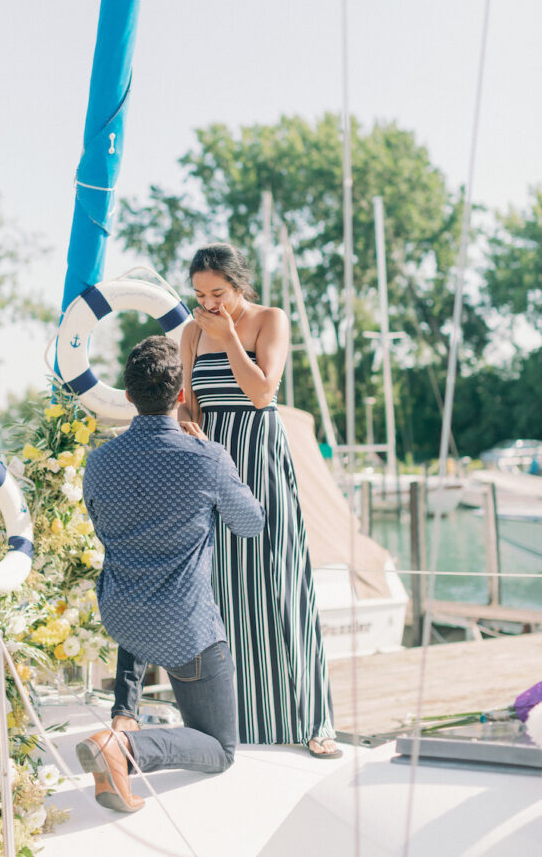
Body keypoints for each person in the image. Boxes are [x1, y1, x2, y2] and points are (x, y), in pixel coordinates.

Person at [112, 243, 339, 759]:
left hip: (260, 462)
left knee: (279, 585)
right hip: (212, 462)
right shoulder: (190, 333)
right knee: (227, 592)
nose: (208, 302)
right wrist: (187, 417)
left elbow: (263, 393)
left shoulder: (268, 321)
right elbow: (189, 397)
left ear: (239, 286)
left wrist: (230, 336)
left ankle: (310, 718)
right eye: (199, 294)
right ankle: (248, 723)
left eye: (218, 293)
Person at [79, 335, 265, 813]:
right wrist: (215, 460)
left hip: (123, 617)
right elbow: (250, 524)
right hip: (185, 630)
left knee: (144, 583)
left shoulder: (97, 463)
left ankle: (125, 720)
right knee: (221, 749)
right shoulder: (206, 458)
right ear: (181, 395)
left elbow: (104, 528)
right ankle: (124, 748)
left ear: (127, 397)